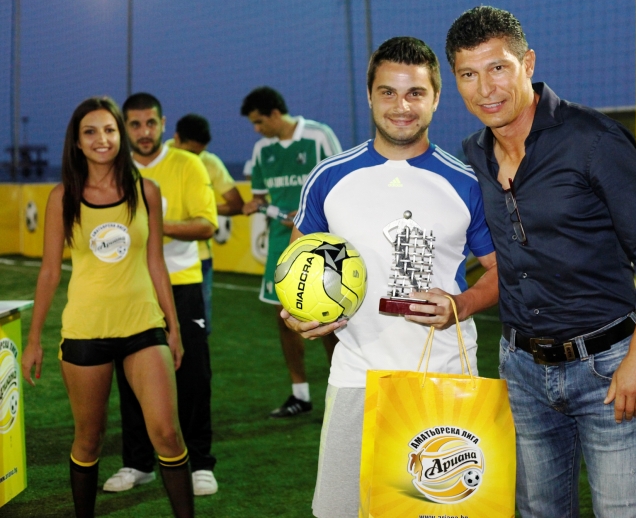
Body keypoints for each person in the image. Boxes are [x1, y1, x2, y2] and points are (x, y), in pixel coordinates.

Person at [446, 6, 636, 517]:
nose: (485, 89)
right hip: (521, 373)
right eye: (468, 74)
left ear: (527, 63)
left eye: (498, 67)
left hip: (608, 369)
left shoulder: (593, 139)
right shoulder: (472, 156)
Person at [280, 36, 499, 518]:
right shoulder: (329, 177)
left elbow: (501, 270)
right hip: (356, 376)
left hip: (443, 376)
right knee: (339, 511)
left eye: (415, 93)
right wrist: (298, 315)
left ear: (436, 98)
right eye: (388, 92)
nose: (402, 106)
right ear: (370, 96)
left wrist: (460, 304)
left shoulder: (465, 182)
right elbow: (297, 268)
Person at [20, 97, 194, 518]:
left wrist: (173, 327)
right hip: (86, 332)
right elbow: (49, 271)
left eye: (110, 130)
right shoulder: (63, 197)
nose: (102, 139)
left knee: (168, 434)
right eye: (91, 132)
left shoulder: (145, 191)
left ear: (120, 135)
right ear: (77, 142)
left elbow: (156, 262)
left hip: (143, 326)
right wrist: (34, 339)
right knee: (89, 439)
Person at [103, 93, 220, 496]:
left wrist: (152, 224)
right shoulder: (113, 168)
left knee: (193, 375)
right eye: (135, 124)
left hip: (183, 283)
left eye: (150, 123)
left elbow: (206, 224)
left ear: (163, 124)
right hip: (131, 288)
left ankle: (199, 463)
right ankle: (138, 464)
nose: (144, 132)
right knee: (131, 377)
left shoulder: (187, 164)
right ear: (124, 128)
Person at [240, 86, 342, 418]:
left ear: (274, 114)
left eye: (259, 122)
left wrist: (312, 214)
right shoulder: (262, 150)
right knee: (284, 318)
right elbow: (259, 197)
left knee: (328, 317)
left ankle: (340, 390)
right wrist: (257, 205)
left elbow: (341, 183)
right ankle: (299, 394)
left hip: (320, 241)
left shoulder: (318, 136)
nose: (257, 129)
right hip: (280, 244)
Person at [170, 113, 245, 334]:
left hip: (198, 258)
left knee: (197, 327)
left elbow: (237, 205)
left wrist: (203, 212)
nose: (195, 159)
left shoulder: (210, 163)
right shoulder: (158, 158)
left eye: (199, 153)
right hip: (158, 255)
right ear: (176, 138)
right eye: (191, 152)